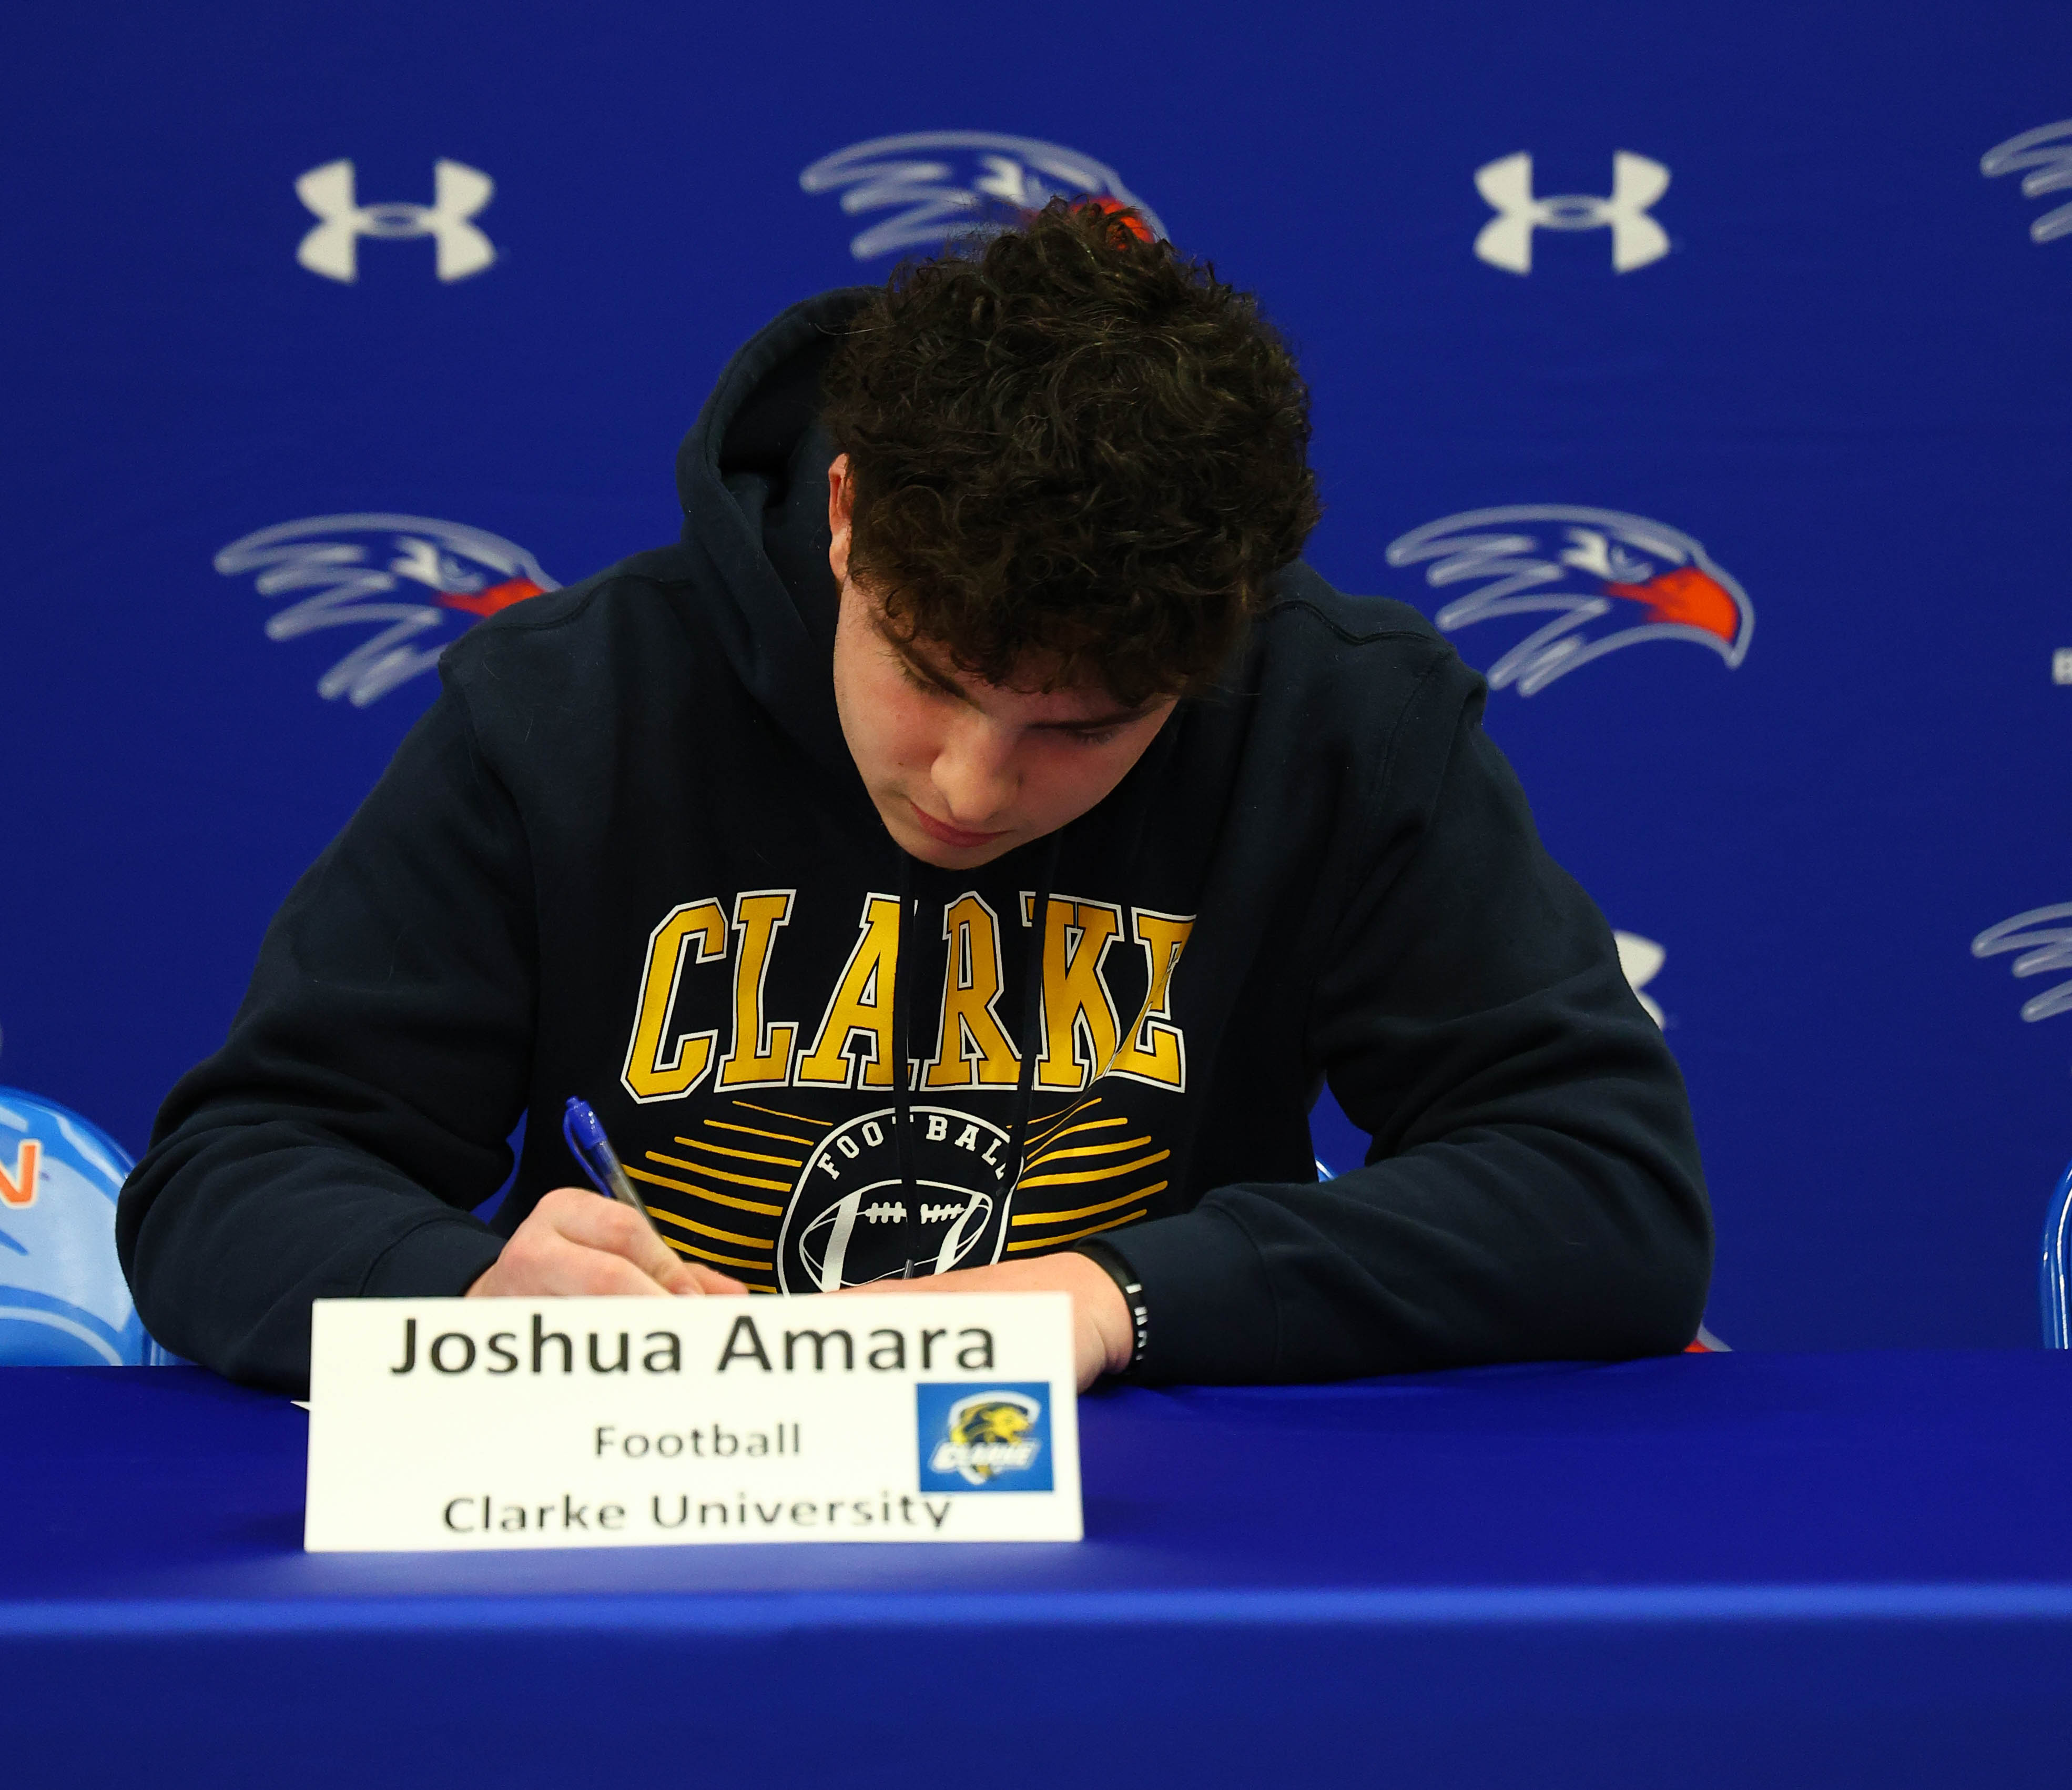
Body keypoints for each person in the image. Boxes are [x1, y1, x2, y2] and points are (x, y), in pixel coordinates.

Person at [117, 202, 1712, 1397]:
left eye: (1082, 729)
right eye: (932, 677)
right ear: (846, 514)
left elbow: (1606, 1189)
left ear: (1215, 651)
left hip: (1152, 1544)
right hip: (643, 1530)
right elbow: (230, 1178)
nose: (969, 783)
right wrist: (460, 1297)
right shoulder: (569, 707)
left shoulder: (1338, 711)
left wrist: (1115, 1299)